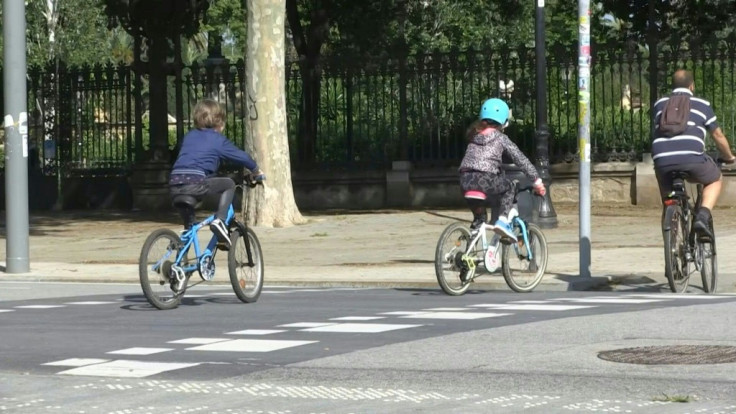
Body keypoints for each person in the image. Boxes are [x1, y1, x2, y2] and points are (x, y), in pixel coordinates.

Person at [169, 99, 265, 247]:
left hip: (175, 183)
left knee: (189, 226)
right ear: (219, 122)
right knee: (228, 184)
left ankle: (181, 262)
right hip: (195, 182)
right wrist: (256, 171)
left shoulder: (189, 136)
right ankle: (220, 220)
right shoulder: (217, 140)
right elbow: (242, 157)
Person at [652, 70, 736, 239]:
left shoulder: (660, 104)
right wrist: (729, 157)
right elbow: (718, 136)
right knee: (715, 179)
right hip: (692, 160)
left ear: (673, 86)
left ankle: (671, 239)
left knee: (668, 197)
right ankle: (703, 217)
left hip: (661, 161)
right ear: (692, 86)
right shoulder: (701, 104)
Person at [458, 98, 546, 241]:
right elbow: (521, 160)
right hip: (484, 179)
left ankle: (469, 251)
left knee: (479, 220)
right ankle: (503, 221)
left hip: (465, 181)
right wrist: (537, 181)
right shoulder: (501, 138)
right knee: (509, 187)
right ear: (504, 121)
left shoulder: (474, 137)